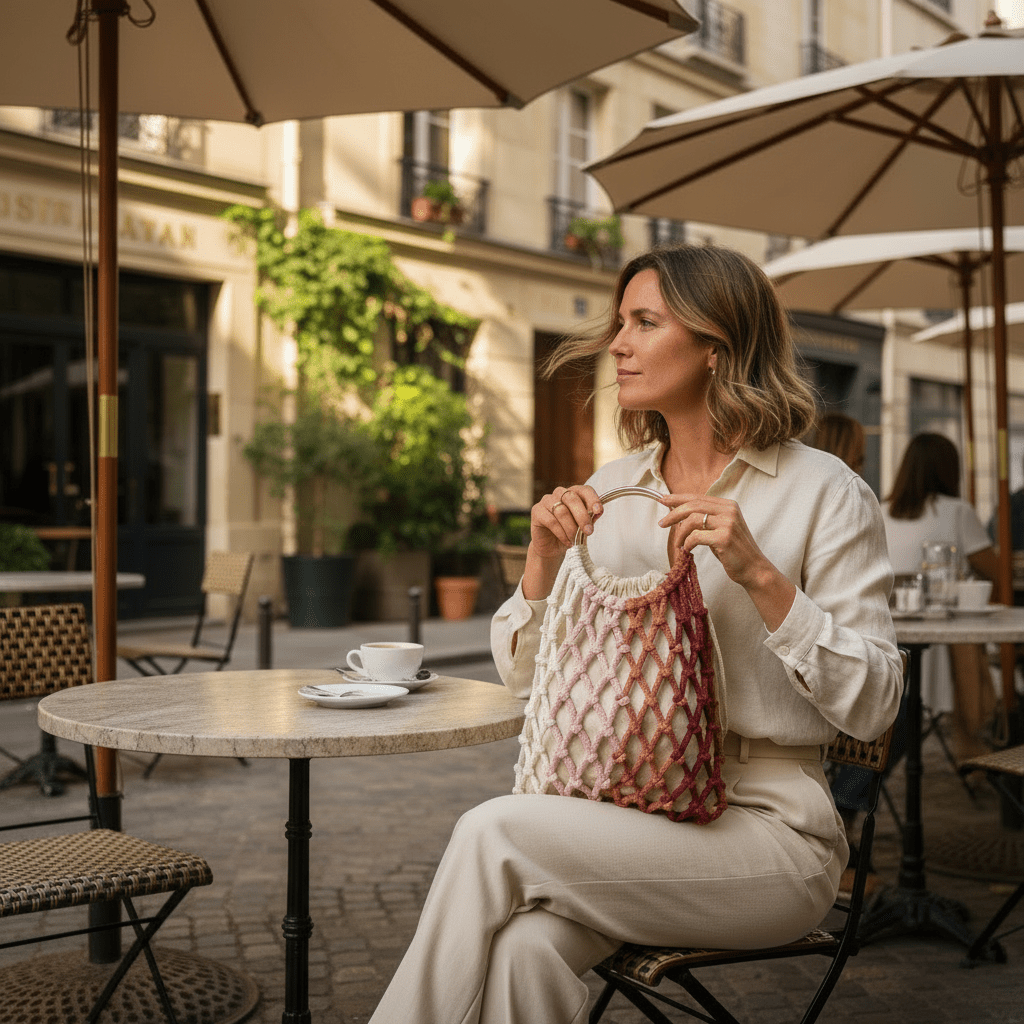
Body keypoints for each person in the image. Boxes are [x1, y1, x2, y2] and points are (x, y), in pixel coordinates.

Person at [368, 244, 902, 1024]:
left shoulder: (826, 493)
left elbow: (877, 705)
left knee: (492, 831)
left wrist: (760, 574)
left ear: (717, 347)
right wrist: (542, 563)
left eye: (644, 322)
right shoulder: (612, 491)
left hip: (771, 834)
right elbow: (524, 686)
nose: (616, 344)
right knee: (525, 952)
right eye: (621, 322)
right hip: (628, 812)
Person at [881, 432, 998, 761]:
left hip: (887, 640)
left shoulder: (880, 509)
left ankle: (855, 789)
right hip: (940, 645)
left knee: (902, 713)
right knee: (969, 646)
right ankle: (973, 746)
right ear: (950, 471)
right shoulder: (957, 511)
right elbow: (996, 572)